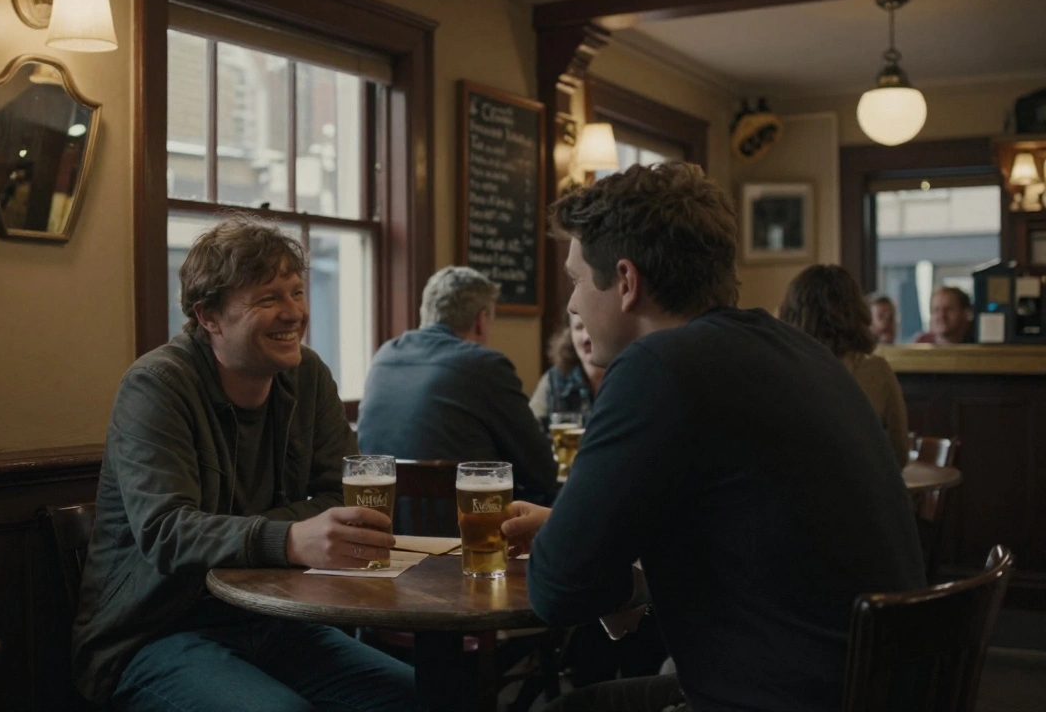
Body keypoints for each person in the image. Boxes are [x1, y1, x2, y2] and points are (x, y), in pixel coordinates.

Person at [501, 163, 926, 712]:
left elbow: (558, 589)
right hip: (869, 688)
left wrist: (607, 574)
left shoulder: (659, 367)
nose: (572, 304)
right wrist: (592, 553)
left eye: (578, 279)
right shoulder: (800, 352)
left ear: (627, 282)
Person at [72, 215, 417, 712]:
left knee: (422, 697)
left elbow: (339, 495)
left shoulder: (309, 376)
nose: (293, 312)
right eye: (267, 298)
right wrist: (293, 538)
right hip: (155, 634)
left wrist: (271, 536)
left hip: (277, 620)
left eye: (296, 292)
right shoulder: (157, 385)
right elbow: (168, 532)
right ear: (208, 316)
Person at [357, 266, 557, 504]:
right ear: (482, 320)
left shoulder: (384, 356)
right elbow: (543, 472)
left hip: (383, 526)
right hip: (467, 531)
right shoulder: (485, 366)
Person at [781, 265, 910, 468]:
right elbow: (899, 453)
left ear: (791, 313)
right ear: (857, 311)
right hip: (864, 495)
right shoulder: (876, 372)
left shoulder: (778, 372)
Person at [529, 312, 605, 427]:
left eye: (593, 326)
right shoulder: (553, 380)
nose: (586, 337)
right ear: (570, 334)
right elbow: (528, 433)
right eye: (579, 327)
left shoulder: (630, 377)